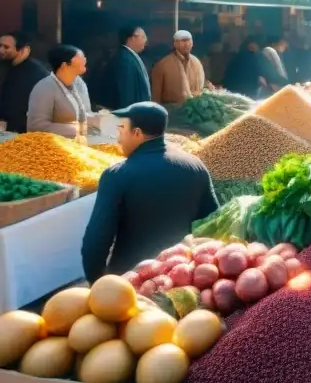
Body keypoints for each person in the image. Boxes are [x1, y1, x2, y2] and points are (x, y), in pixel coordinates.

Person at [81, 102, 218, 282]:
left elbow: (95, 242)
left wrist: (96, 282)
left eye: (121, 129)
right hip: (181, 276)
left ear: (137, 133)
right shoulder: (195, 165)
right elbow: (213, 222)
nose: (118, 138)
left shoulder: (117, 175)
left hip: (131, 280)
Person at [27, 44, 92, 139]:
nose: (85, 60)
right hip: (53, 145)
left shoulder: (79, 83)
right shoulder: (44, 88)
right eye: (80, 57)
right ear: (64, 65)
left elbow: (86, 113)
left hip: (80, 141)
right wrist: (75, 129)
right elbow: (36, 126)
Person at [0, 32, 49, 133]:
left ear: (22, 50)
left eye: (6, 47)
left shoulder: (35, 72)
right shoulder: (2, 65)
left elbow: (24, 106)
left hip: (20, 130)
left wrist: (8, 123)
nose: (0, 50)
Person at [151, 30, 208, 106]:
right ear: (175, 44)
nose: (186, 44)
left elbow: (201, 86)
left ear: (192, 43)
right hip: (172, 110)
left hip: (195, 110)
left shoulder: (196, 62)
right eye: (183, 41)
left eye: (189, 41)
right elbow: (156, 95)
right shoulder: (163, 64)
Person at [103, 24, 151, 110]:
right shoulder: (125, 60)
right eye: (143, 36)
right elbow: (126, 92)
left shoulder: (129, 56)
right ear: (131, 38)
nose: (146, 40)